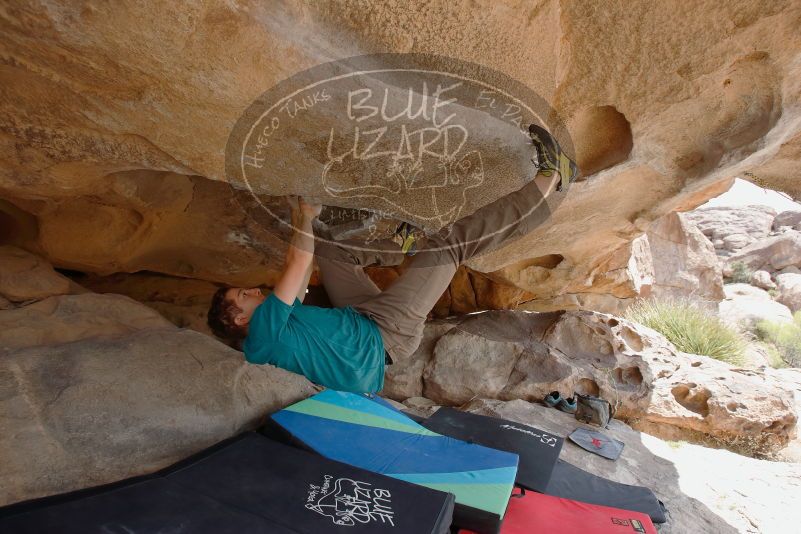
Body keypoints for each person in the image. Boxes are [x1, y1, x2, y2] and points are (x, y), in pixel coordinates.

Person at [207, 126, 577, 393]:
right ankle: (552, 177)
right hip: (386, 335)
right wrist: (303, 215)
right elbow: (295, 263)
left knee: (332, 252)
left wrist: (305, 224)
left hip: (359, 320)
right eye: (243, 295)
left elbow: (300, 281)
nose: (253, 290)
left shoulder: (272, 337)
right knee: (450, 245)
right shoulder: (261, 334)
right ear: (239, 318)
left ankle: (405, 245)